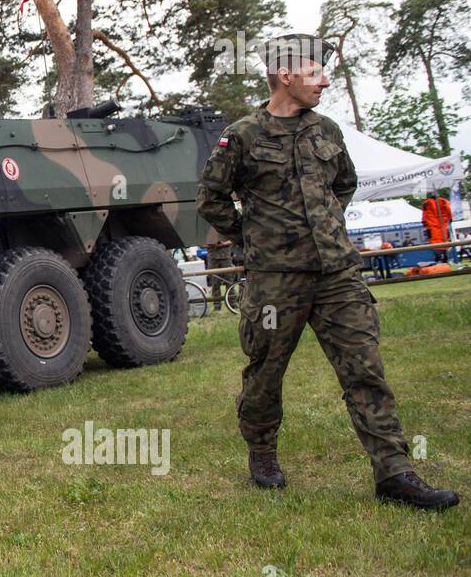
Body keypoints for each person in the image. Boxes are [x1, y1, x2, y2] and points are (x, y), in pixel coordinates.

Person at [196, 33, 458, 510]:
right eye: (315, 72)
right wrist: (253, 237)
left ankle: (394, 473)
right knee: (266, 371)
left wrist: (325, 226)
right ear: (286, 74)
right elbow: (210, 198)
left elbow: (345, 183)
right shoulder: (243, 136)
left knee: (365, 370)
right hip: (275, 281)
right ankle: (262, 452)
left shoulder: (328, 131)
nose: (324, 80)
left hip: (338, 275)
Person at [422, 193, 453, 262]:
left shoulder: (426, 203)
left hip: (432, 225)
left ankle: (438, 257)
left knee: (434, 242)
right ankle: (445, 257)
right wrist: (450, 219)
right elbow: (449, 210)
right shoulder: (444, 201)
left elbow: (424, 214)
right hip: (443, 224)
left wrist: (424, 222)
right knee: (445, 240)